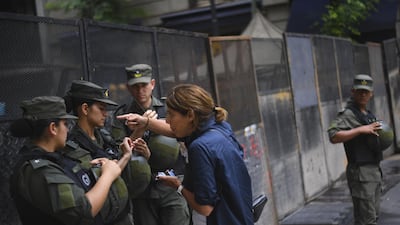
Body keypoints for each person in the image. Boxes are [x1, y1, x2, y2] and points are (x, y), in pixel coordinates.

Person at [8, 96, 125, 225]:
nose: (67, 129)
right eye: (64, 124)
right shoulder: (37, 170)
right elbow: (83, 210)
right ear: (53, 128)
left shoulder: (55, 158)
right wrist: (108, 175)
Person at [151, 84, 253, 225]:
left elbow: (205, 208)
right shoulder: (221, 127)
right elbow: (175, 131)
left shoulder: (199, 148)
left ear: (190, 115)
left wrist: (178, 186)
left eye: (171, 114)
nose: (167, 120)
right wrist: (146, 122)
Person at [112, 64, 191, 225]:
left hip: (171, 183)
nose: (140, 90)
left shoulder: (168, 109)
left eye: (144, 85)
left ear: (153, 84)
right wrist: (140, 130)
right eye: (135, 86)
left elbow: (184, 137)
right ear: (128, 88)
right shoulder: (122, 116)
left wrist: (153, 124)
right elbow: (118, 152)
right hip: (143, 189)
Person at [63, 80, 152, 224]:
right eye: (101, 108)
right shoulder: (73, 146)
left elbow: (114, 162)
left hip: (122, 213)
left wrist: (136, 149)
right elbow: (102, 176)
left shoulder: (104, 136)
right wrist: (125, 157)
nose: (105, 114)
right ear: (85, 109)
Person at [327, 74, 383, 225]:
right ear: (353, 92)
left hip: (373, 171)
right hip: (361, 173)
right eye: (360, 91)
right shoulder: (348, 114)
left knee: (372, 217)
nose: (363, 94)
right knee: (367, 220)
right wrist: (360, 130)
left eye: (366, 91)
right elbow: (333, 136)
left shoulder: (369, 115)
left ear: (371, 93)